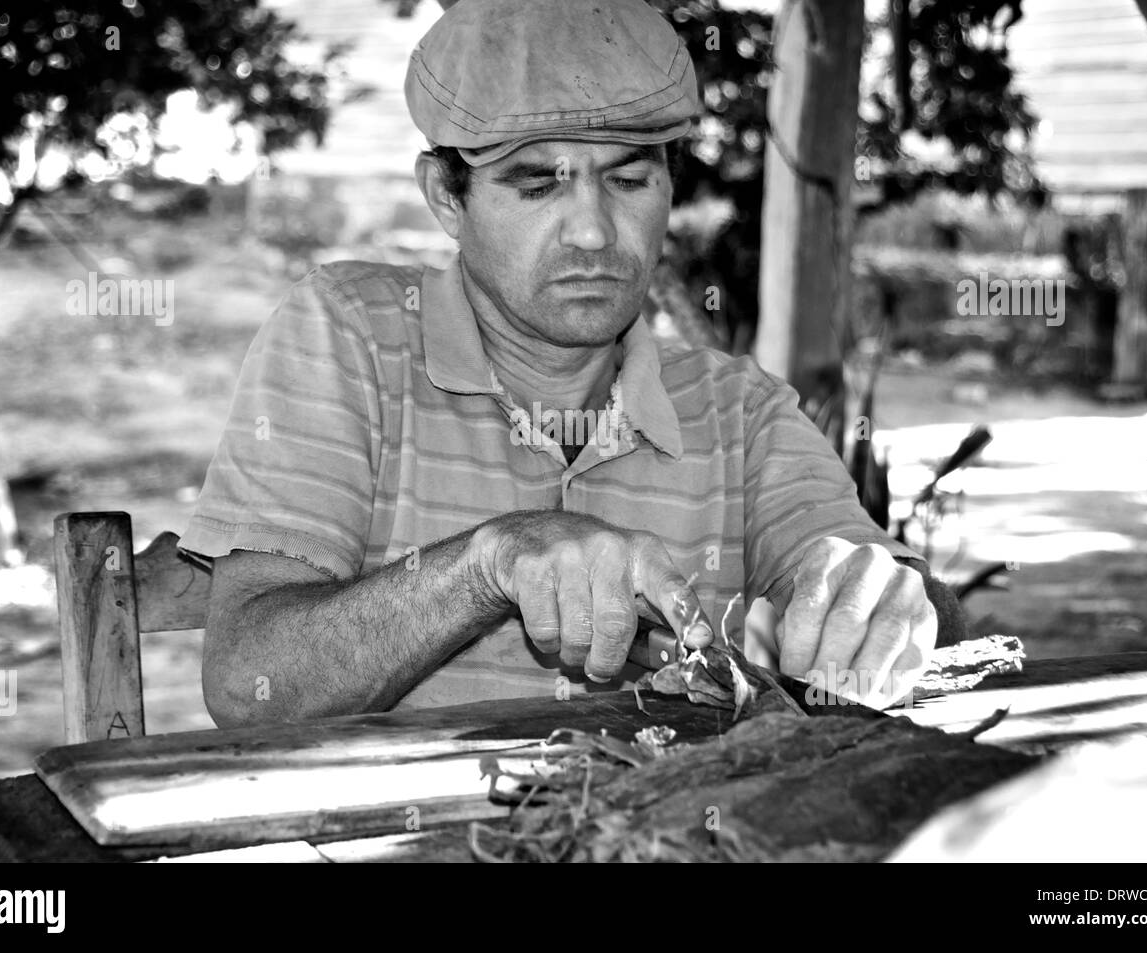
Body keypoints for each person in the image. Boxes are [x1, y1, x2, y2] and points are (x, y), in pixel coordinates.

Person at [180, 0, 963, 727]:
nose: (593, 232)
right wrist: (486, 566)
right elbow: (251, 684)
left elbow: (901, 595)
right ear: (447, 199)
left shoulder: (737, 410)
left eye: (628, 179)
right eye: (537, 184)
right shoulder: (342, 336)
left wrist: (890, 601)